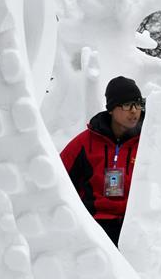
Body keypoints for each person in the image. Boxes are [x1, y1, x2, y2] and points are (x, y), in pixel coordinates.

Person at [60, 76, 145, 247]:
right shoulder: (84, 143)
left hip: (135, 226)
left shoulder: (148, 143)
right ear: (112, 109)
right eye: (127, 105)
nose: (134, 111)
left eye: (138, 104)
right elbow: (58, 181)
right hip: (93, 227)